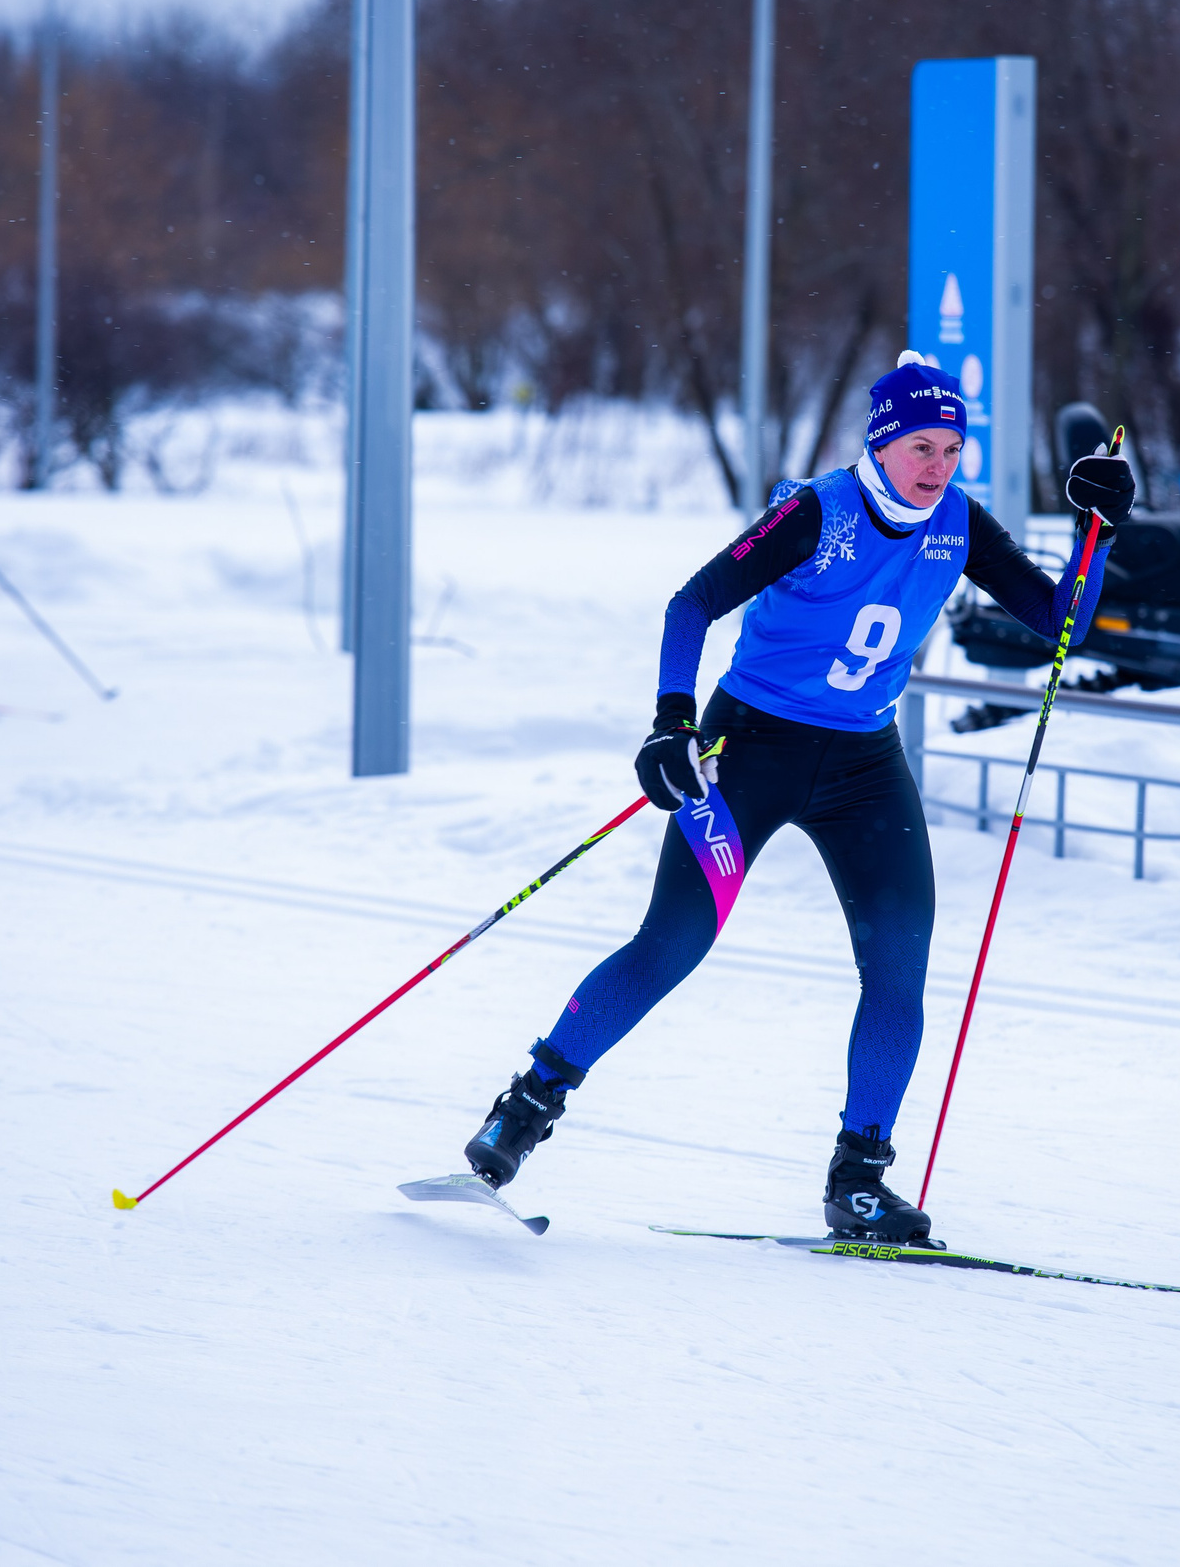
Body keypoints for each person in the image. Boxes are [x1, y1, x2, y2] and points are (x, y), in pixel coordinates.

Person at [461, 352, 1135, 1246]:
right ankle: (524, 1108)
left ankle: (859, 1181)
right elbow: (692, 604)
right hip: (751, 749)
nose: (938, 467)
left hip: (864, 766)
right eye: (922, 447)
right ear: (881, 443)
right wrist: (672, 722)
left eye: (953, 449)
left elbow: (1060, 623)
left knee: (898, 969)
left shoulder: (960, 523)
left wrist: (1098, 531)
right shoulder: (818, 511)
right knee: (672, 943)